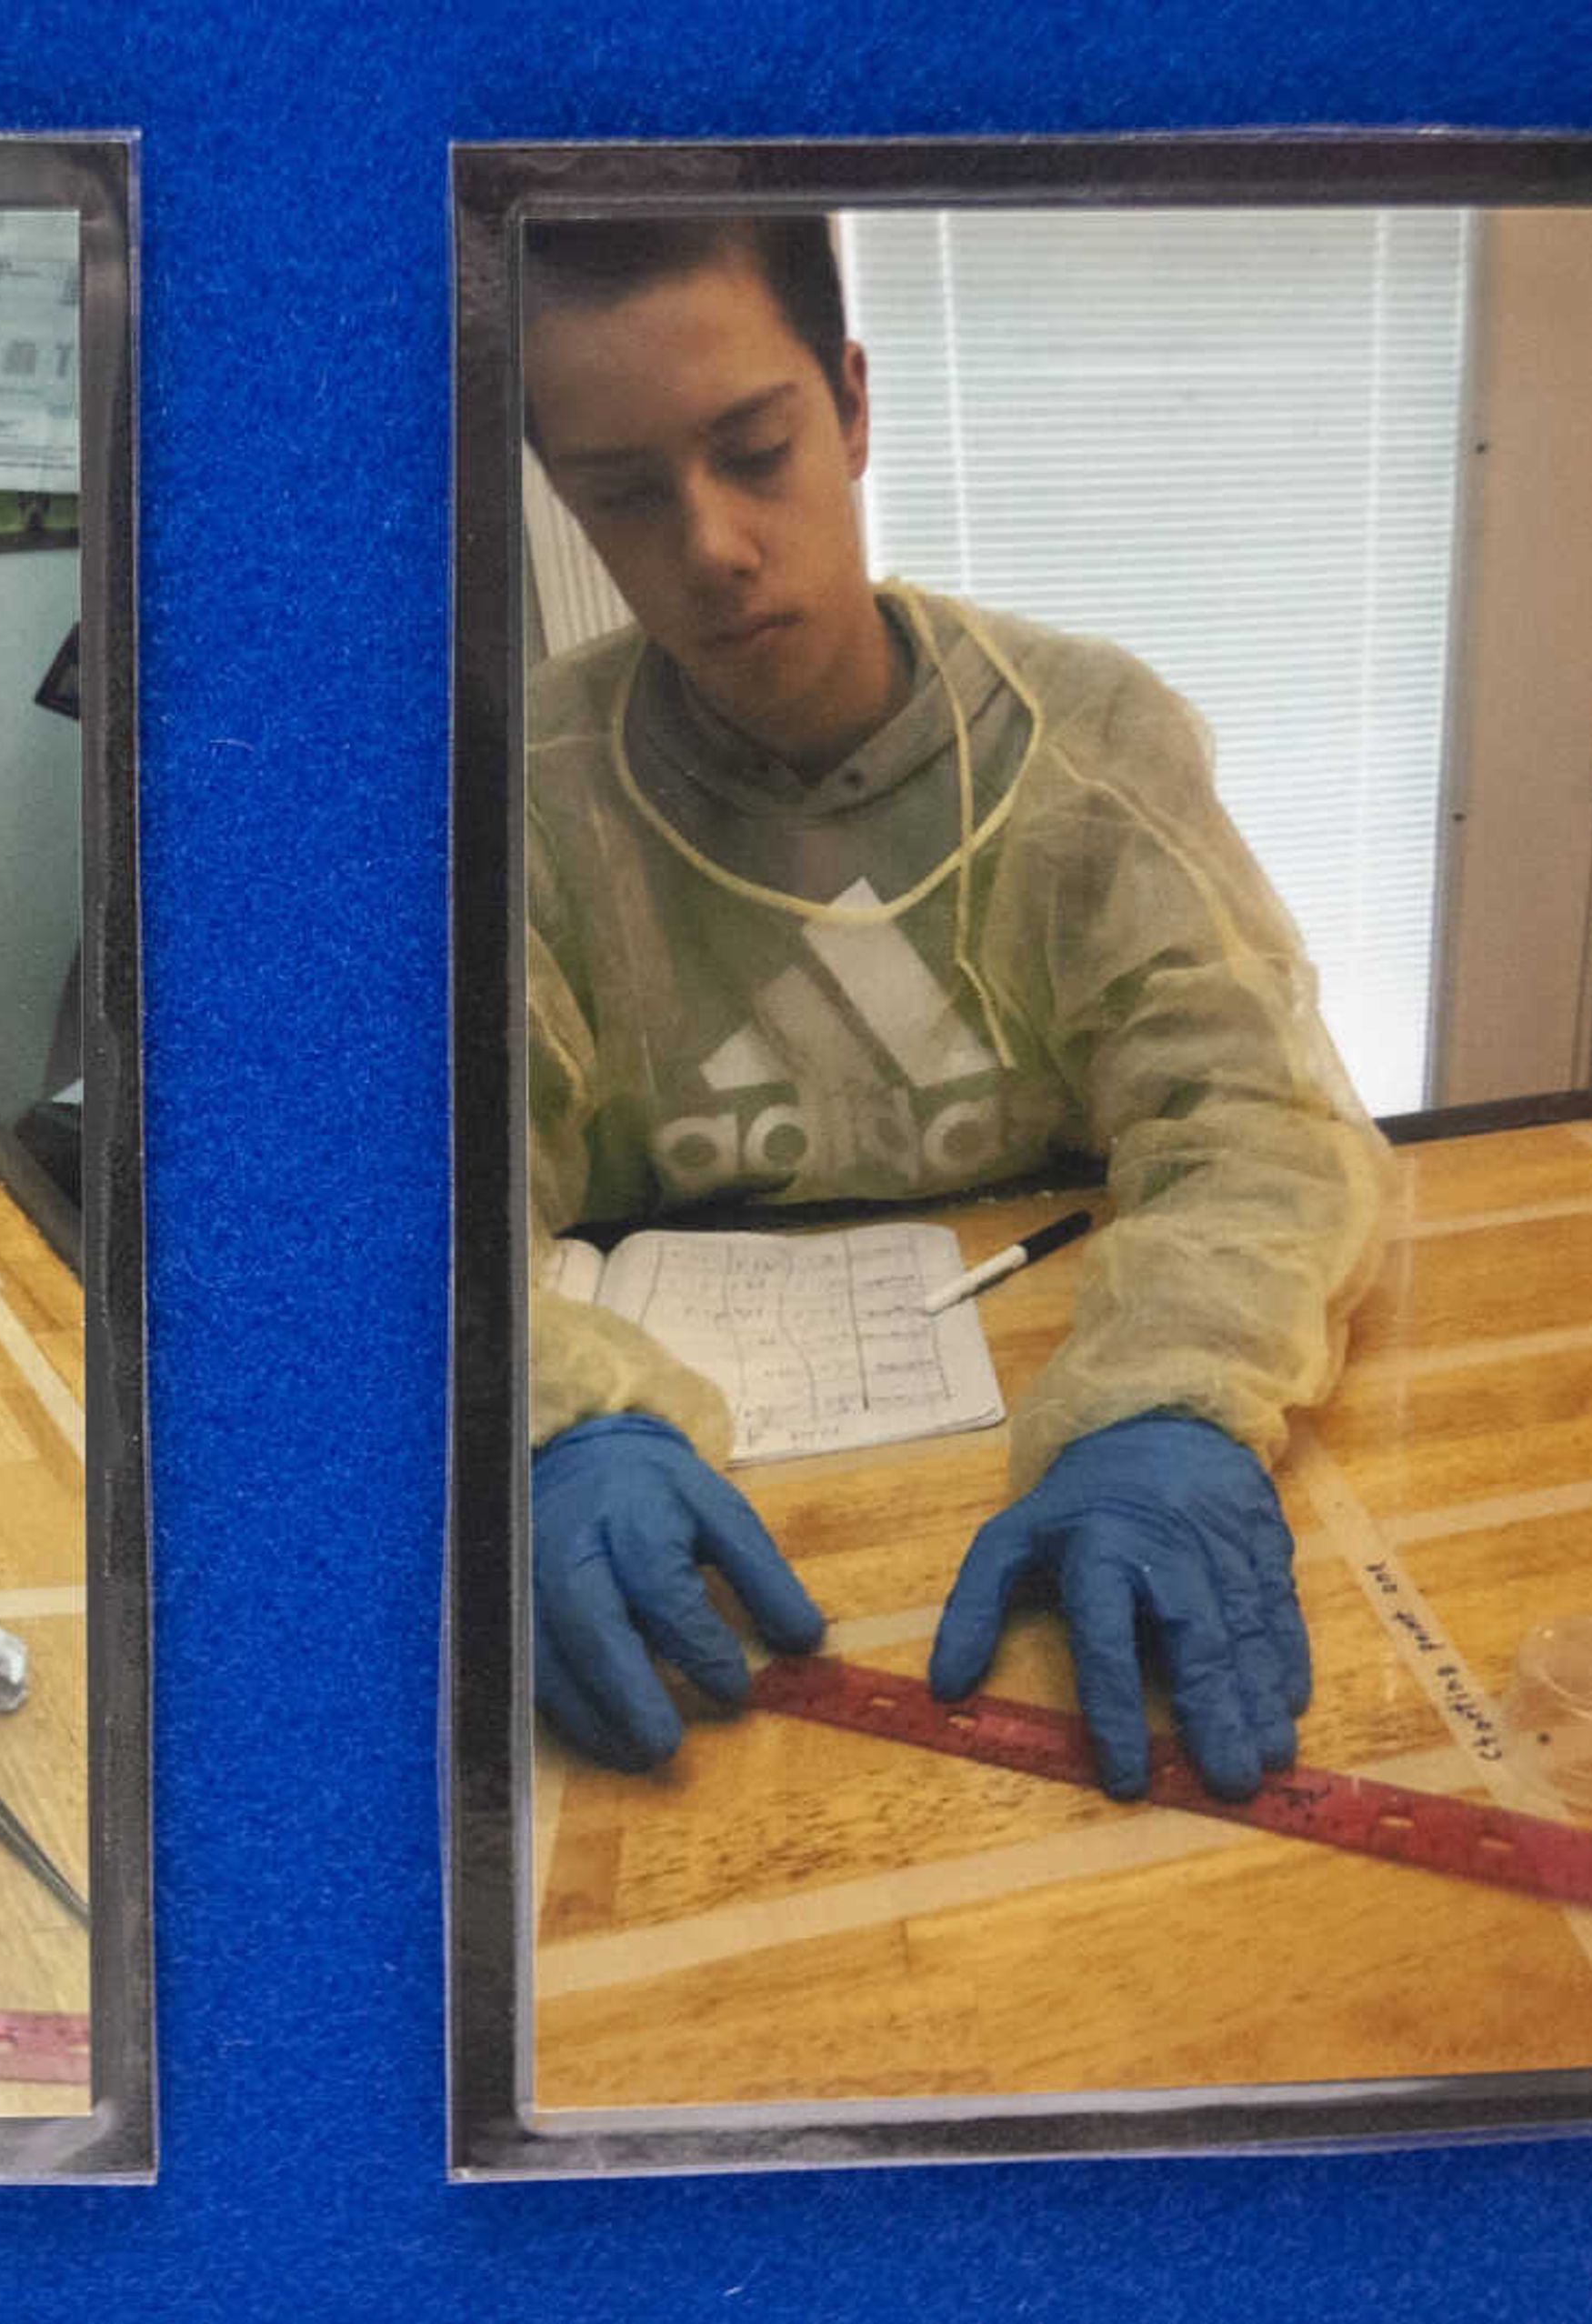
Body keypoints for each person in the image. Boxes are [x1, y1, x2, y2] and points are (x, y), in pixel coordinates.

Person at [519, 213, 1392, 1799]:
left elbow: (1263, 1123)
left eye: (757, 449)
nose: (712, 545)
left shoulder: (1093, 744)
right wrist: (549, 1418)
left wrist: (1171, 1405)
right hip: (741, 1544)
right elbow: (413, 1216)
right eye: (627, 494)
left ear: (851, 407)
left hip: (1030, 1465)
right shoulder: (527, 801)